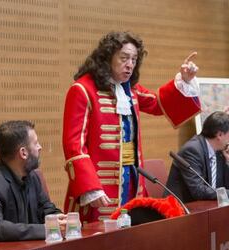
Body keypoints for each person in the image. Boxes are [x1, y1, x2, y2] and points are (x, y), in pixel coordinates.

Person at [62, 31, 201, 223]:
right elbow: (73, 145)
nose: (130, 65)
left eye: (134, 60)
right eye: (124, 58)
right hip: (99, 186)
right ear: (107, 58)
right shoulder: (82, 90)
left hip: (132, 181)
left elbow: (159, 104)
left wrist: (184, 80)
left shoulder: (131, 91)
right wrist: (90, 186)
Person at [0, 121, 65, 245]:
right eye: (36, 143)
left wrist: (64, 221)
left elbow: (46, 210)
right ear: (23, 153)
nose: (40, 147)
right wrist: (47, 229)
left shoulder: (32, 177)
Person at [165, 111, 229, 203]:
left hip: (208, 206)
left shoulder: (220, 150)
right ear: (219, 135)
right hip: (182, 208)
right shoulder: (192, 150)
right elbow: (198, 190)